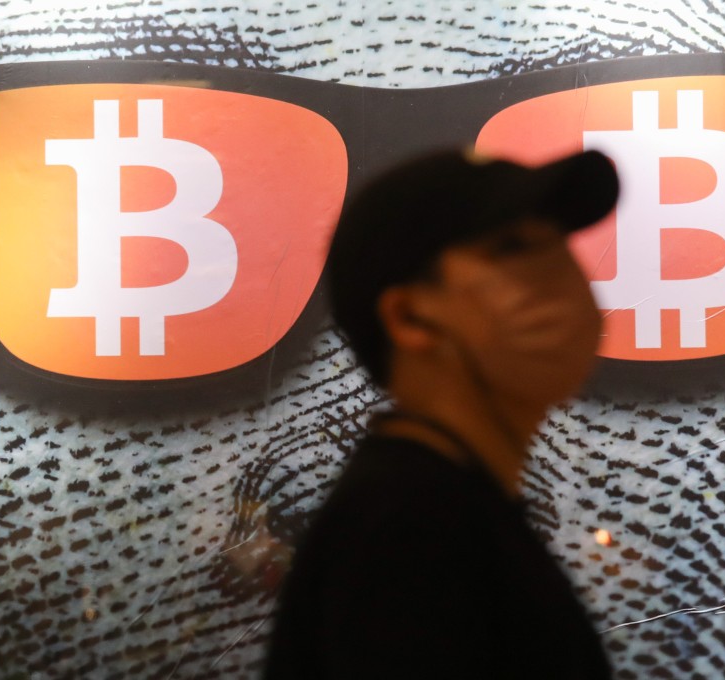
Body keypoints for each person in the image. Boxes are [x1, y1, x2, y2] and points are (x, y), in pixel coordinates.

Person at [264, 148, 618, 679]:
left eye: (556, 241)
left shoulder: (451, 499)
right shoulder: (407, 531)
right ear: (410, 317)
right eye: (513, 247)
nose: (561, 272)